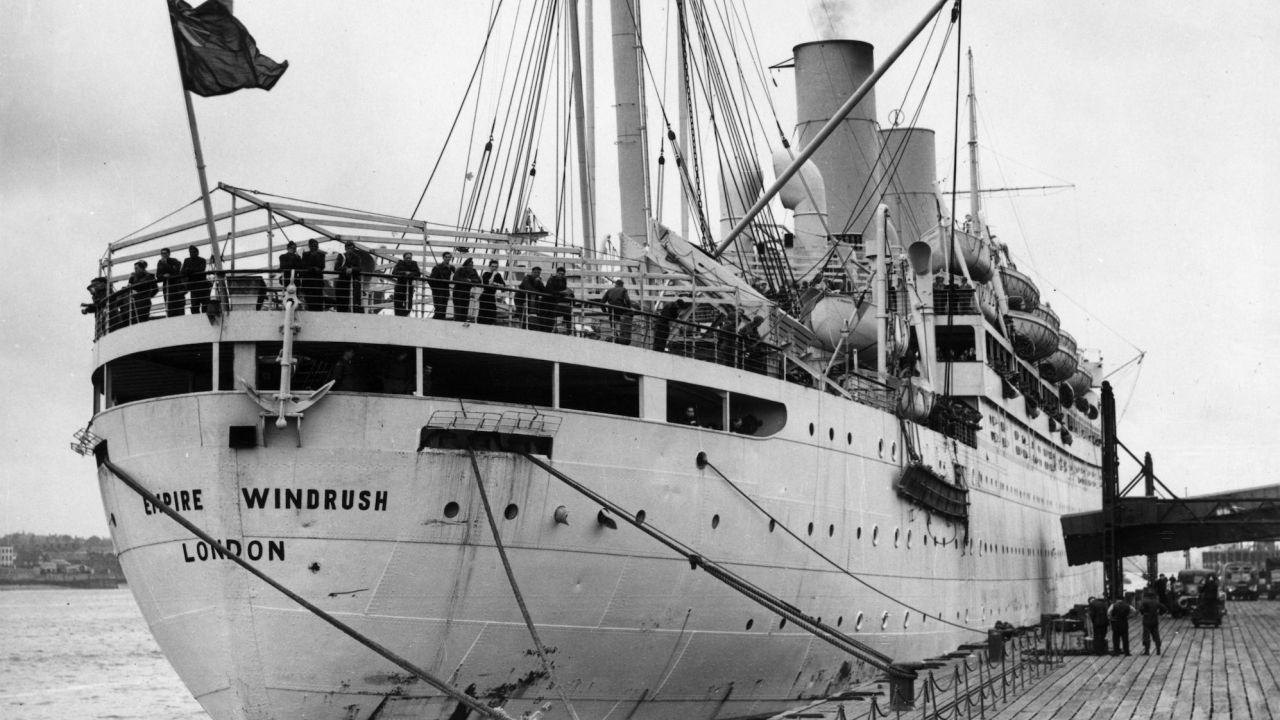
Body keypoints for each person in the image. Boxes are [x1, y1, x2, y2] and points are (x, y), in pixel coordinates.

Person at [543, 266, 575, 332]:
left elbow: (563, 288)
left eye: (562, 274)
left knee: (568, 312)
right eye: (559, 273)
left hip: (557, 300)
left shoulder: (563, 279)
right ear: (556, 273)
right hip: (550, 301)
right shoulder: (551, 279)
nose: (561, 275)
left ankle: (569, 330)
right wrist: (561, 292)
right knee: (550, 317)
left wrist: (568, 292)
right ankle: (550, 330)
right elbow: (549, 290)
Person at [155, 248, 184, 317]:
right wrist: (163, 276)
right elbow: (158, 275)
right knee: (168, 304)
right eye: (162, 253)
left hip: (175, 285)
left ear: (168, 254)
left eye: (165, 253)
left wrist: (165, 265)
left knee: (177, 304)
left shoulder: (174, 261)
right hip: (166, 286)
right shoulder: (160, 262)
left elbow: (175, 272)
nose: (163, 255)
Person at [335, 241, 363, 312]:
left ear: (353, 248)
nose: (349, 249)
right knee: (341, 302)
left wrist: (352, 269)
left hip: (352, 284)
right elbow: (336, 268)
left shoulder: (357, 257)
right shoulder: (341, 256)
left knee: (351, 301)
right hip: (342, 283)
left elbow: (359, 268)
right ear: (345, 248)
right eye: (348, 248)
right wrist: (346, 269)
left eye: (351, 248)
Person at [601, 278, 633, 343]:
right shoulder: (623, 290)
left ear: (615, 284)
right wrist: (628, 308)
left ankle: (615, 334)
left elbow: (602, 302)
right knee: (630, 313)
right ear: (622, 285)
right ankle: (624, 333)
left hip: (611, 309)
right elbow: (627, 300)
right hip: (620, 309)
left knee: (611, 318)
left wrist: (605, 312)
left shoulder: (609, 290)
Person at [391, 252, 422, 317]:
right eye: (407, 258)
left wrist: (410, 274)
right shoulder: (399, 263)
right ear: (404, 258)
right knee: (397, 303)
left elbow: (418, 274)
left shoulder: (414, 264)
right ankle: (399, 316)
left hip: (409, 287)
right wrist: (404, 273)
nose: (408, 259)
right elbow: (394, 273)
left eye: (409, 258)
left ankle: (404, 315)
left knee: (409, 304)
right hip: (400, 287)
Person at [1137, 590, 1166, 655]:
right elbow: (1164, 608)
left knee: (1146, 636)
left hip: (1146, 620)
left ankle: (1147, 651)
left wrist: (1143, 613)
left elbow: (1141, 610)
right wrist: (1159, 613)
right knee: (1156, 635)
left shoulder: (1145, 602)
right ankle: (1158, 650)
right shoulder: (1157, 602)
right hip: (1154, 620)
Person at [182, 246, 210, 314]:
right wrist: (190, 271)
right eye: (191, 252)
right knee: (194, 305)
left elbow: (201, 269)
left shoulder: (202, 260)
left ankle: (205, 318)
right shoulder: (187, 260)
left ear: (197, 252)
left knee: (205, 305)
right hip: (194, 286)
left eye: (193, 252)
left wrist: (189, 271)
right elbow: (183, 271)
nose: (192, 253)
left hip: (202, 286)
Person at [301, 238, 328, 310]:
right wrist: (313, 268)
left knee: (319, 302)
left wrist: (314, 267)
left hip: (318, 283)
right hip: (308, 283)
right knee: (310, 302)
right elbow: (304, 266)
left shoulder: (321, 255)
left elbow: (322, 266)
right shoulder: (305, 255)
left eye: (316, 246)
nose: (315, 247)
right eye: (313, 246)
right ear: (309, 246)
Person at [452, 257, 481, 322]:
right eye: (469, 265)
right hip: (458, 293)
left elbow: (479, 281)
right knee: (458, 310)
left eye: (471, 265)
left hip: (466, 293)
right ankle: (457, 322)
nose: (471, 266)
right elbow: (455, 278)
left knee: (464, 311)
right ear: (466, 265)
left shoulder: (473, 271)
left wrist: (470, 280)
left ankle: (462, 322)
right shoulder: (460, 270)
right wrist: (466, 280)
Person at [478, 259, 506, 325]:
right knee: (483, 314)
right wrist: (493, 275)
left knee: (491, 314)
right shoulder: (486, 274)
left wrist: (495, 284)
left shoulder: (498, 275)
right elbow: (488, 283)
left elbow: (503, 286)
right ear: (489, 266)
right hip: (485, 295)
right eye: (493, 266)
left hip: (491, 296)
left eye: (496, 267)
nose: (494, 268)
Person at [428, 252, 455, 320]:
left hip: (445, 290)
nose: (448, 259)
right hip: (438, 291)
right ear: (443, 258)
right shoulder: (437, 267)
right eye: (446, 257)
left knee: (443, 308)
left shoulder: (451, 268)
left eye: (449, 257)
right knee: (439, 308)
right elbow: (431, 280)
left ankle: (440, 320)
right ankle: (436, 321)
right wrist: (435, 289)